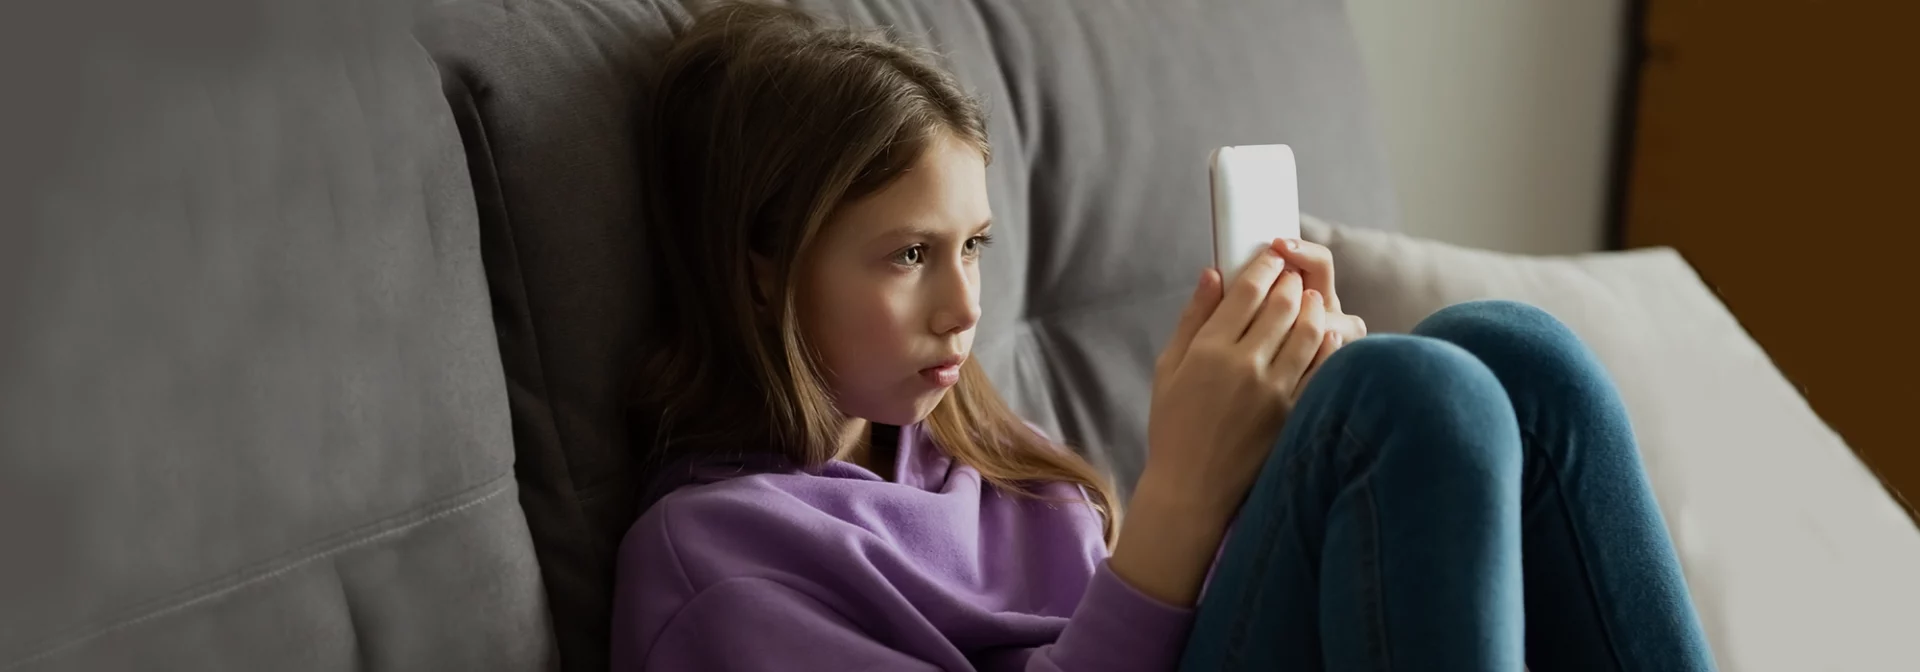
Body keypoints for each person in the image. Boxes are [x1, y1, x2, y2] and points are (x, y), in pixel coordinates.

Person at [612, 3, 1715, 670]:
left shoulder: (985, 456)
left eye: (976, 247)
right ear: (761, 273)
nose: (962, 307)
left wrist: (1282, 463)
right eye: (908, 256)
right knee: (1418, 401)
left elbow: (1191, 630)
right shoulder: (718, 558)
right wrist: (1183, 493)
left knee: (1515, 356)